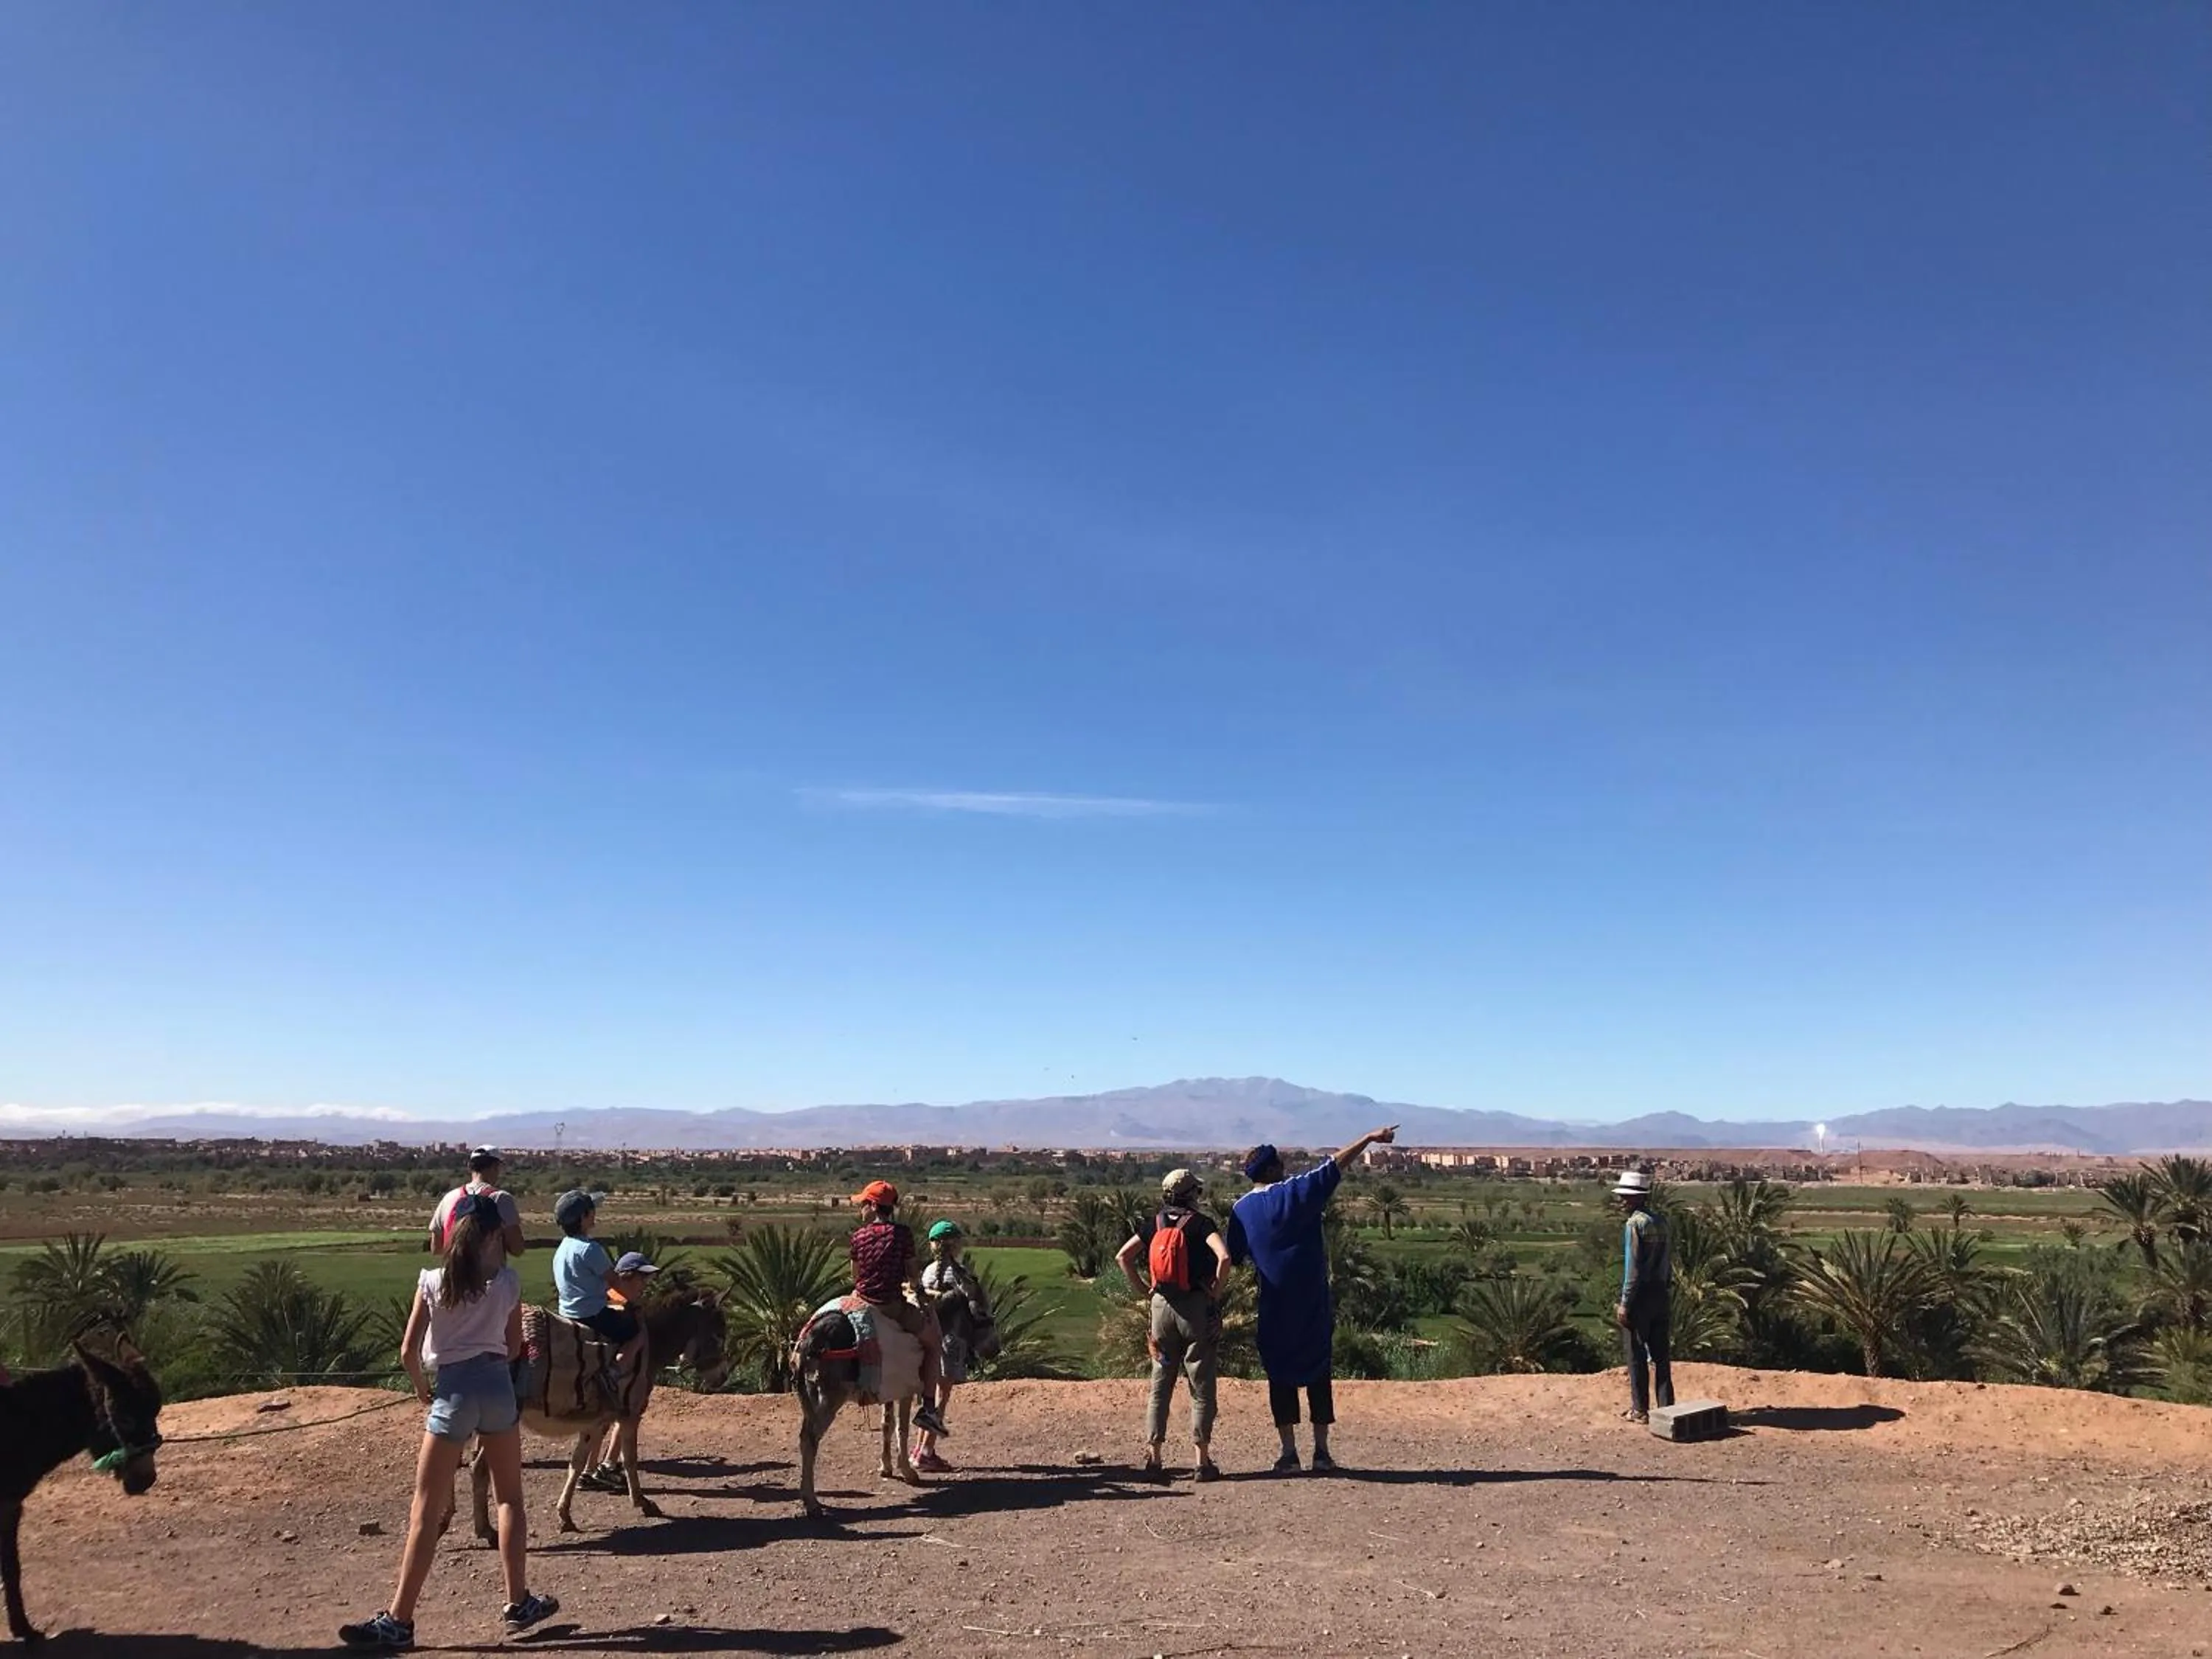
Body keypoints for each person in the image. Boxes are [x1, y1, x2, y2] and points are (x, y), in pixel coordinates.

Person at [339, 1192, 560, 1649]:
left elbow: (408, 1351)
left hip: (453, 1393)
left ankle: (399, 1620)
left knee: (426, 1509)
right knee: (509, 1500)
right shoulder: (508, 1284)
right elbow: (514, 1347)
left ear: (451, 1232)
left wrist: (422, 1387)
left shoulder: (432, 1283)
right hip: (497, 1391)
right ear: (494, 1237)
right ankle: (518, 1601)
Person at [1227, 1125, 1398, 1473]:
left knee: (1279, 1374)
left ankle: (1289, 1453)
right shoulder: (1296, 1192)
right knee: (1319, 1371)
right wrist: (1369, 1138)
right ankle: (1321, 1452)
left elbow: (1233, 1258)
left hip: (1273, 1306)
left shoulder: (1240, 1210)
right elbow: (1335, 1164)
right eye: (1280, 1163)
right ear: (1272, 1169)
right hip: (1312, 1303)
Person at [1116, 1168, 1231, 1482]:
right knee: (1201, 1386)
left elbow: (1123, 1256)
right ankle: (1202, 1462)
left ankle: (1154, 1459)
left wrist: (1145, 1290)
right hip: (1195, 1309)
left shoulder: (1153, 1224)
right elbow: (1224, 1257)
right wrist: (1214, 1293)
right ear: (1192, 1194)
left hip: (1161, 1310)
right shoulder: (1201, 1224)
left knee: (1160, 1383)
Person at [848, 1181, 950, 1438]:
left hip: (862, 1302)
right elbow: (912, 1272)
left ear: (873, 1206)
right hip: (891, 1306)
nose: (861, 1209)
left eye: (863, 1204)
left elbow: (855, 1275)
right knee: (934, 1344)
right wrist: (916, 1288)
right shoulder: (902, 1234)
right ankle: (928, 1408)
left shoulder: (858, 1236)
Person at [551, 1189, 648, 1380]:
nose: (595, 1214)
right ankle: (614, 1372)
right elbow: (615, 1282)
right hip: (592, 1314)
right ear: (583, 1217)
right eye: (591, 1211)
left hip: (567, 1312)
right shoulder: (590, 1249)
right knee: (637, 1334)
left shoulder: (563, 1248)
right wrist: (634, 1302)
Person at [915, 1220, 988, 1472]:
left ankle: (919, 1449)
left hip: (926, 1338)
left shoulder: (927, 1272)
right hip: (951, 1341)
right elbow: (974, 1305)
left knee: (928, 1395)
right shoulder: (960, 1273)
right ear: (955, 1245)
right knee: (941, 1397)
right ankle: (927, 1452)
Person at [1612, 1168, 1674, 1423]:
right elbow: (1667, 1262)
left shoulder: (1634, 1224)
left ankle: (1640, 1410)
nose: (1622, 1201)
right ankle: (1667, 1409)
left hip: (1641, 1297)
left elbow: (1633, 1269)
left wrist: (1625, 1303)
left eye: (1625, 1196)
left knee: (1636, 1354)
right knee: (1661, 1357)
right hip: (1661, 1293)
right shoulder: (1662, 1222)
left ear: (1636, 1198)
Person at [427, 1147, 526, 1270]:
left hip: (452, 1277)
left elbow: (436, 1248)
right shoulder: (501, 1198)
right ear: (495, 1167)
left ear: (470, 1167)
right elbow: (517, 1249)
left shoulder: (449, 1198)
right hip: (489, 1277)